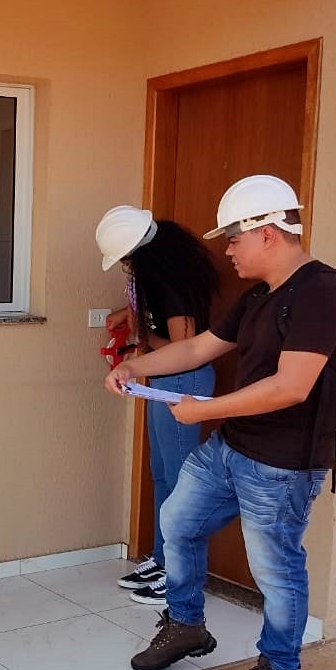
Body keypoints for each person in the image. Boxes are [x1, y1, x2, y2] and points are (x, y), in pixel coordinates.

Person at [105, 175, 336, 670]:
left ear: (266, 232)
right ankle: (186, 625)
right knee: (178, 522)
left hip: (284, 464)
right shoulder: (261, 296)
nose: (227, 250)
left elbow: (292, 386)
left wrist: (203, 411)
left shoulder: (323, 294)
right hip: (231, 448)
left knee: (277, 569)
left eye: (234, 238)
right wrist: (134, 364)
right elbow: (197, 346)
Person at [95, 207, 220, 605]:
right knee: (162, 474)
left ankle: (180, 576)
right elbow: (148, 319)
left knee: (183, 483)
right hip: (163, 383)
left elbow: (185, 347)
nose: (126, 267)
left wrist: (142, 341)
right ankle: (164, 558)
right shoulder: (156, 275)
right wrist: (127, 320)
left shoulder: (171, 283)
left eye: (127, 260)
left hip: (183, 382)